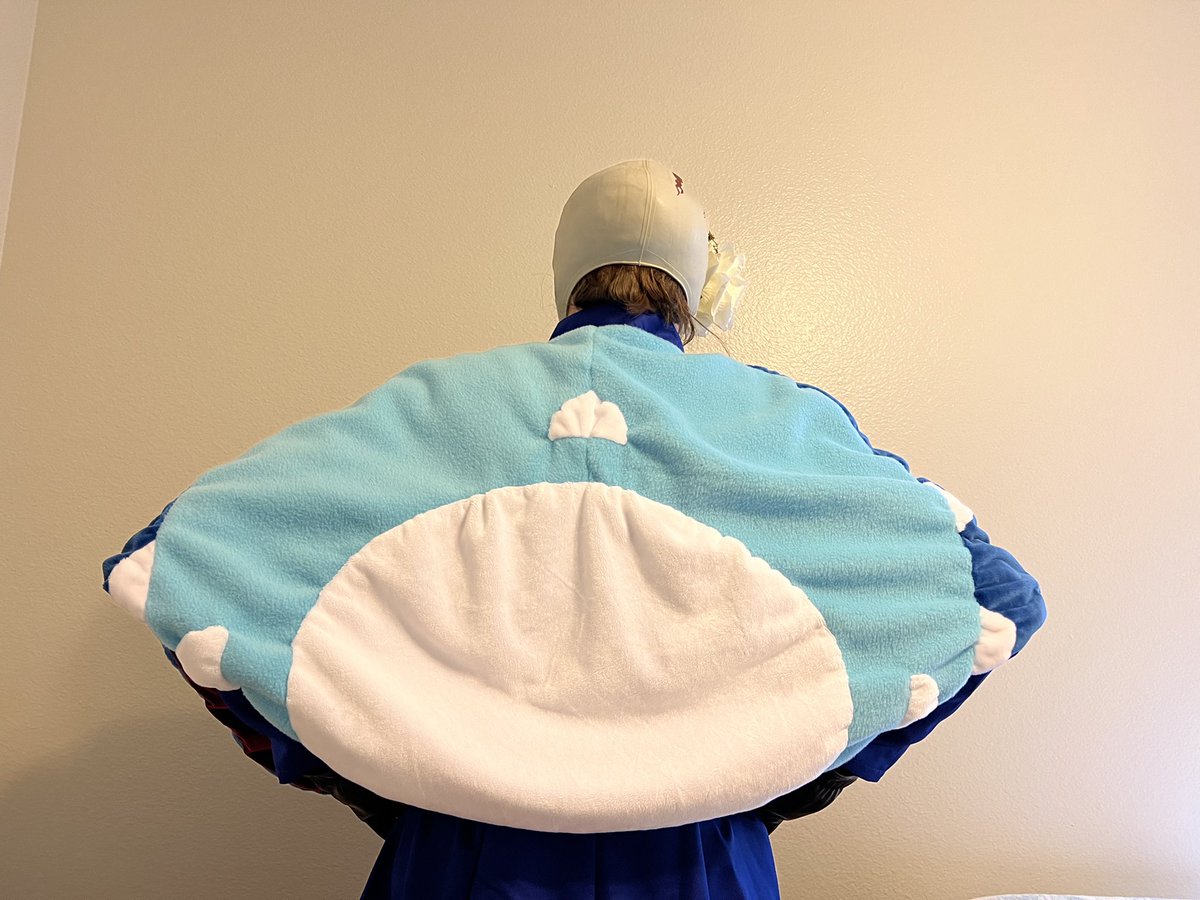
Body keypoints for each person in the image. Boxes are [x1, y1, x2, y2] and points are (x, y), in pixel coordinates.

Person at [102, 159, 1046, 899]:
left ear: (565, 275)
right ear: (698, 285)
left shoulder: (438, 403)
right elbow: (997, 598)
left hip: (460, 853)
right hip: (699, 858)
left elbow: (166, 558)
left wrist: (357, 754)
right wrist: (791, 764)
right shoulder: (781, 419)